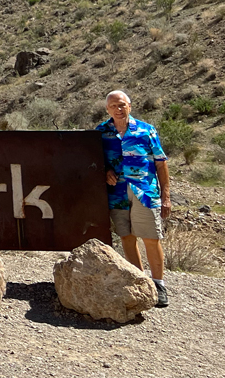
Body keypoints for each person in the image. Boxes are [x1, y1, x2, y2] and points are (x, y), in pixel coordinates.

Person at [97, 90, 172, 307]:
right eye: (113, 106)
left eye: (121, 105)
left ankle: (158, 284)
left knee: (151, 237)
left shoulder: (146, 131)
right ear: (107, 110)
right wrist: (104, 171)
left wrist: (166, 196)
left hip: (144, 191)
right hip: (116, 193)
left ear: (129, 106)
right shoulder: (101, 133)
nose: (118, 110)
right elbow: (92, 158)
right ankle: (139, 281)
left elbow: (161, 162)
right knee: (127, 237)